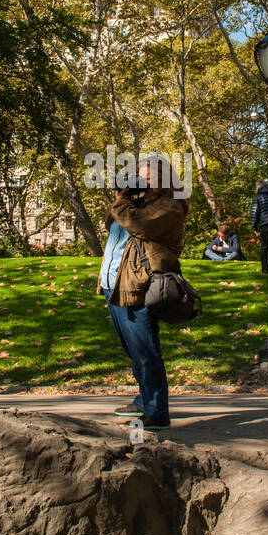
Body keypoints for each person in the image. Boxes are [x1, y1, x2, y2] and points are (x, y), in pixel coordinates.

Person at [97, 154, 189, 431]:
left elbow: (140, 226)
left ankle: (157, 412)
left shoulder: (170, 207)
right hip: (113, 283)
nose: (142, 180)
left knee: (145, 349)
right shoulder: (137, 203)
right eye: (139, 175)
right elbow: (110, 222)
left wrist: (123, 202)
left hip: (138, 286)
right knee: (133, 350)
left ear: (164, 178)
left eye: (148, 175)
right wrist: (121, 195)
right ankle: (143, 400)